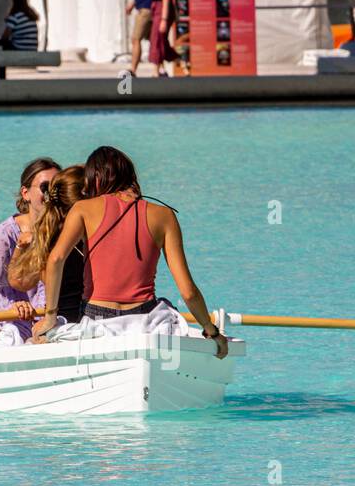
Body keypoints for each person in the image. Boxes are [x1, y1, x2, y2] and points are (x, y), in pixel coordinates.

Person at [32, 146, 228, 359]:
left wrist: (50, 317)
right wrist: (211, 330)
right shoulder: (164, 216)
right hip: (145, 319)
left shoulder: (83, 209)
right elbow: (188, 291)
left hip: (98, 317)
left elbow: (56, 260)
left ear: (94, 180)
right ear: (130, 176)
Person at [0, 158, 61, 340]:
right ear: (25, 193)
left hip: (49, 320)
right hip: (14, 321)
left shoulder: (67, 231)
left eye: (57, 188)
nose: (51, 194)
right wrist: (13, 309)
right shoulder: (6, 233)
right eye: (45, 187)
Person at [7, 166, 86, 324]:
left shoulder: (46, 235)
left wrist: (21, 247)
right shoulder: (95, 234)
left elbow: (19, 281)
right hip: (77, 324)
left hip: (60, 323)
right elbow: (18, 281)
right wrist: (20, 246)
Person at [0, 0, 39, 79]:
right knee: (1, 47)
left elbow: (5, 37)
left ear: (14, 3)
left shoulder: (15, 17)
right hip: (32, 48)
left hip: (21, 47)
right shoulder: (30, 16)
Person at [148, 0, 179, 77]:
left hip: (162, 12)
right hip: (156, 11)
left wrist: (164, 20)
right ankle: (178, 62)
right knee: (161, 42)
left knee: (156, 40)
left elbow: (166, 1)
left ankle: (155, 71)